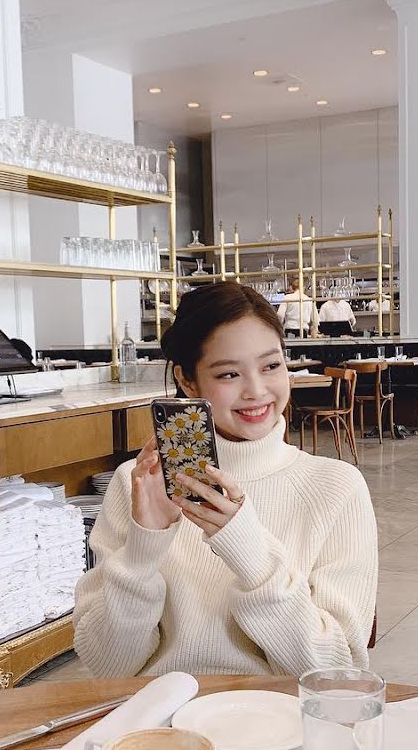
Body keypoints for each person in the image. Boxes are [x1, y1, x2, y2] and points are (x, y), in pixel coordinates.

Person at [73, 282, 378, 677]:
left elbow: (337, 674)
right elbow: (108, 669)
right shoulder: (138, 485)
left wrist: (252, 555)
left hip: (276, 712)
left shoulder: (337, 488)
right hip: (163, 711)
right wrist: (142, 550)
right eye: (230, 373)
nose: (256, 391)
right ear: (187, 381)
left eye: (271, 366)